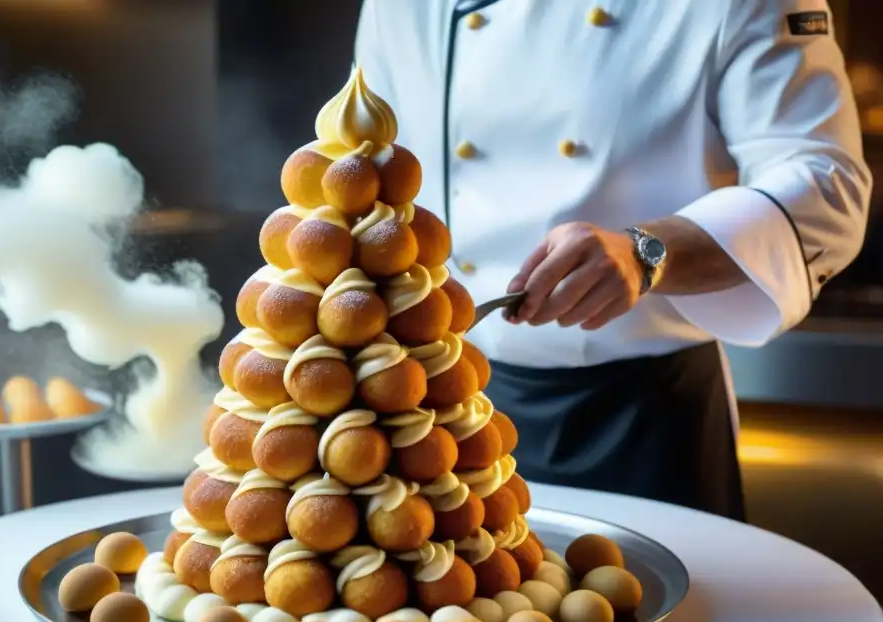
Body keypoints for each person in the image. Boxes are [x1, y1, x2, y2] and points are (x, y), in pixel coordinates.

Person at [354, 0, 871, 521]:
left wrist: (649, 251)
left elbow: (826, 183)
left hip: (647, 417)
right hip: (450, 406)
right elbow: (366, 166)